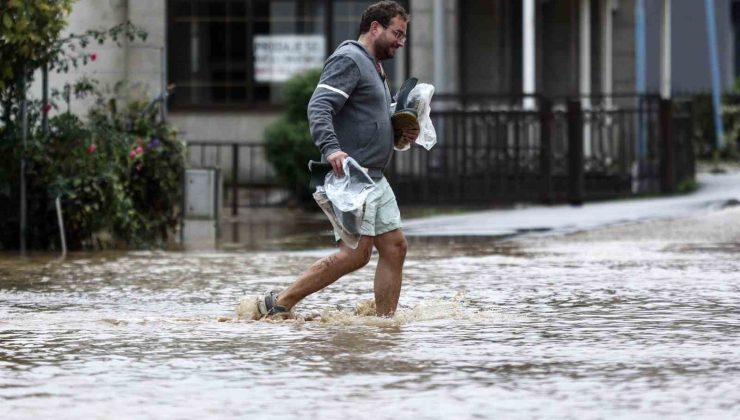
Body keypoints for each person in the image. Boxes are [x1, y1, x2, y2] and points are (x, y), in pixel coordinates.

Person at [258, 1, 419, 318]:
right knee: (355, 255)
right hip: (352, 177)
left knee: (395, 247)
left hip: (375, 177)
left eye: (404, 35)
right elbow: (318, 107)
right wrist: (331, 148)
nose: (401, 42)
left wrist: (399, 133)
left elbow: (366, 119)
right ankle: (279, 303)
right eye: (397, 33)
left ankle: (383, 325)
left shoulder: (373, 65)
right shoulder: (349, 59)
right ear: (375, 28)